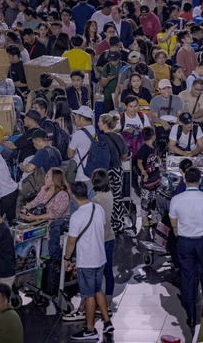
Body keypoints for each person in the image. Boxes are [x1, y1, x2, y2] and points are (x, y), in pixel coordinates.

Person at [63, 182, 114, 340]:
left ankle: (90, 330)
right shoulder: (97, 209)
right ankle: (107, 322)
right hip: (100, 258)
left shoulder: (77, 216)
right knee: (98, 289)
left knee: (89, 295)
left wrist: (66, 259)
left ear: (73, 196)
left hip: (87, 262)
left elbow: (71, 242)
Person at [169, 166, 203, 328]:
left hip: (184, 242)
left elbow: (173, 224)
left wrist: (180, 236)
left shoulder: (176, 200)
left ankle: (190, 315)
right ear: (200, 180)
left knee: (188, 278)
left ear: (184, 180)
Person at [97, 113, 129, 234]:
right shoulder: (119, 137)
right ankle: (118, 224)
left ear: (105, 124)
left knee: (104, 198)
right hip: (117, 170)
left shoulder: (99, 138)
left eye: (100, 121)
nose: (98, 123)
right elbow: (125, 154)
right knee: (117, 197)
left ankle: (106, 224)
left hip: (104, 172)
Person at [90, 169, 116, 307]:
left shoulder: (96, 200)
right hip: (110, 236)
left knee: (97, 271)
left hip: (100, 239)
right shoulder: (109, 195)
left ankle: (96, 299)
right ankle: (109, 297)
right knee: (108, 270)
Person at [137, 127, 161, 231]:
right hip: (147, 180)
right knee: (145, 200)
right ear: (153, 136)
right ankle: (144, 218)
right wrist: (143, 172)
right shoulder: (144, 148)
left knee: (154, 199)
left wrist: (159, 164)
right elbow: (139, 162)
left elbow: (155, 158)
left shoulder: (154, 147)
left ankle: (154, 217)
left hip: (155, 178)